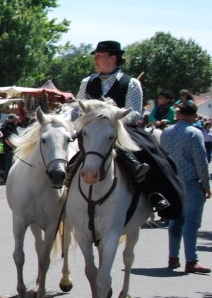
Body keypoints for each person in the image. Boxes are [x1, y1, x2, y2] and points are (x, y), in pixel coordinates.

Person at [73, 40, 183, 218]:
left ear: (113, 57)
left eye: (99, 56)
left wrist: (111, 118)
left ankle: (154, 193)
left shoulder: (131, 83)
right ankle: (62, 188)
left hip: (121, 128)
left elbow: (135, 114)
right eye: (96, 57)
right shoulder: (87, 82)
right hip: (92, 129)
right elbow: (78, 108)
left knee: (147, 152)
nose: (96, 60)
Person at [160, 103, 211, 273]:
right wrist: (206, 184)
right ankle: (191, 260)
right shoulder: (194, 133)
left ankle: (173, 257)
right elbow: (201, 161)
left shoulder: (167, 132)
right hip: (190, 182)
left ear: (179, 114)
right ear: (194, 116)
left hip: (172, 182)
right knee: (191, 222)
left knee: (175, 220)